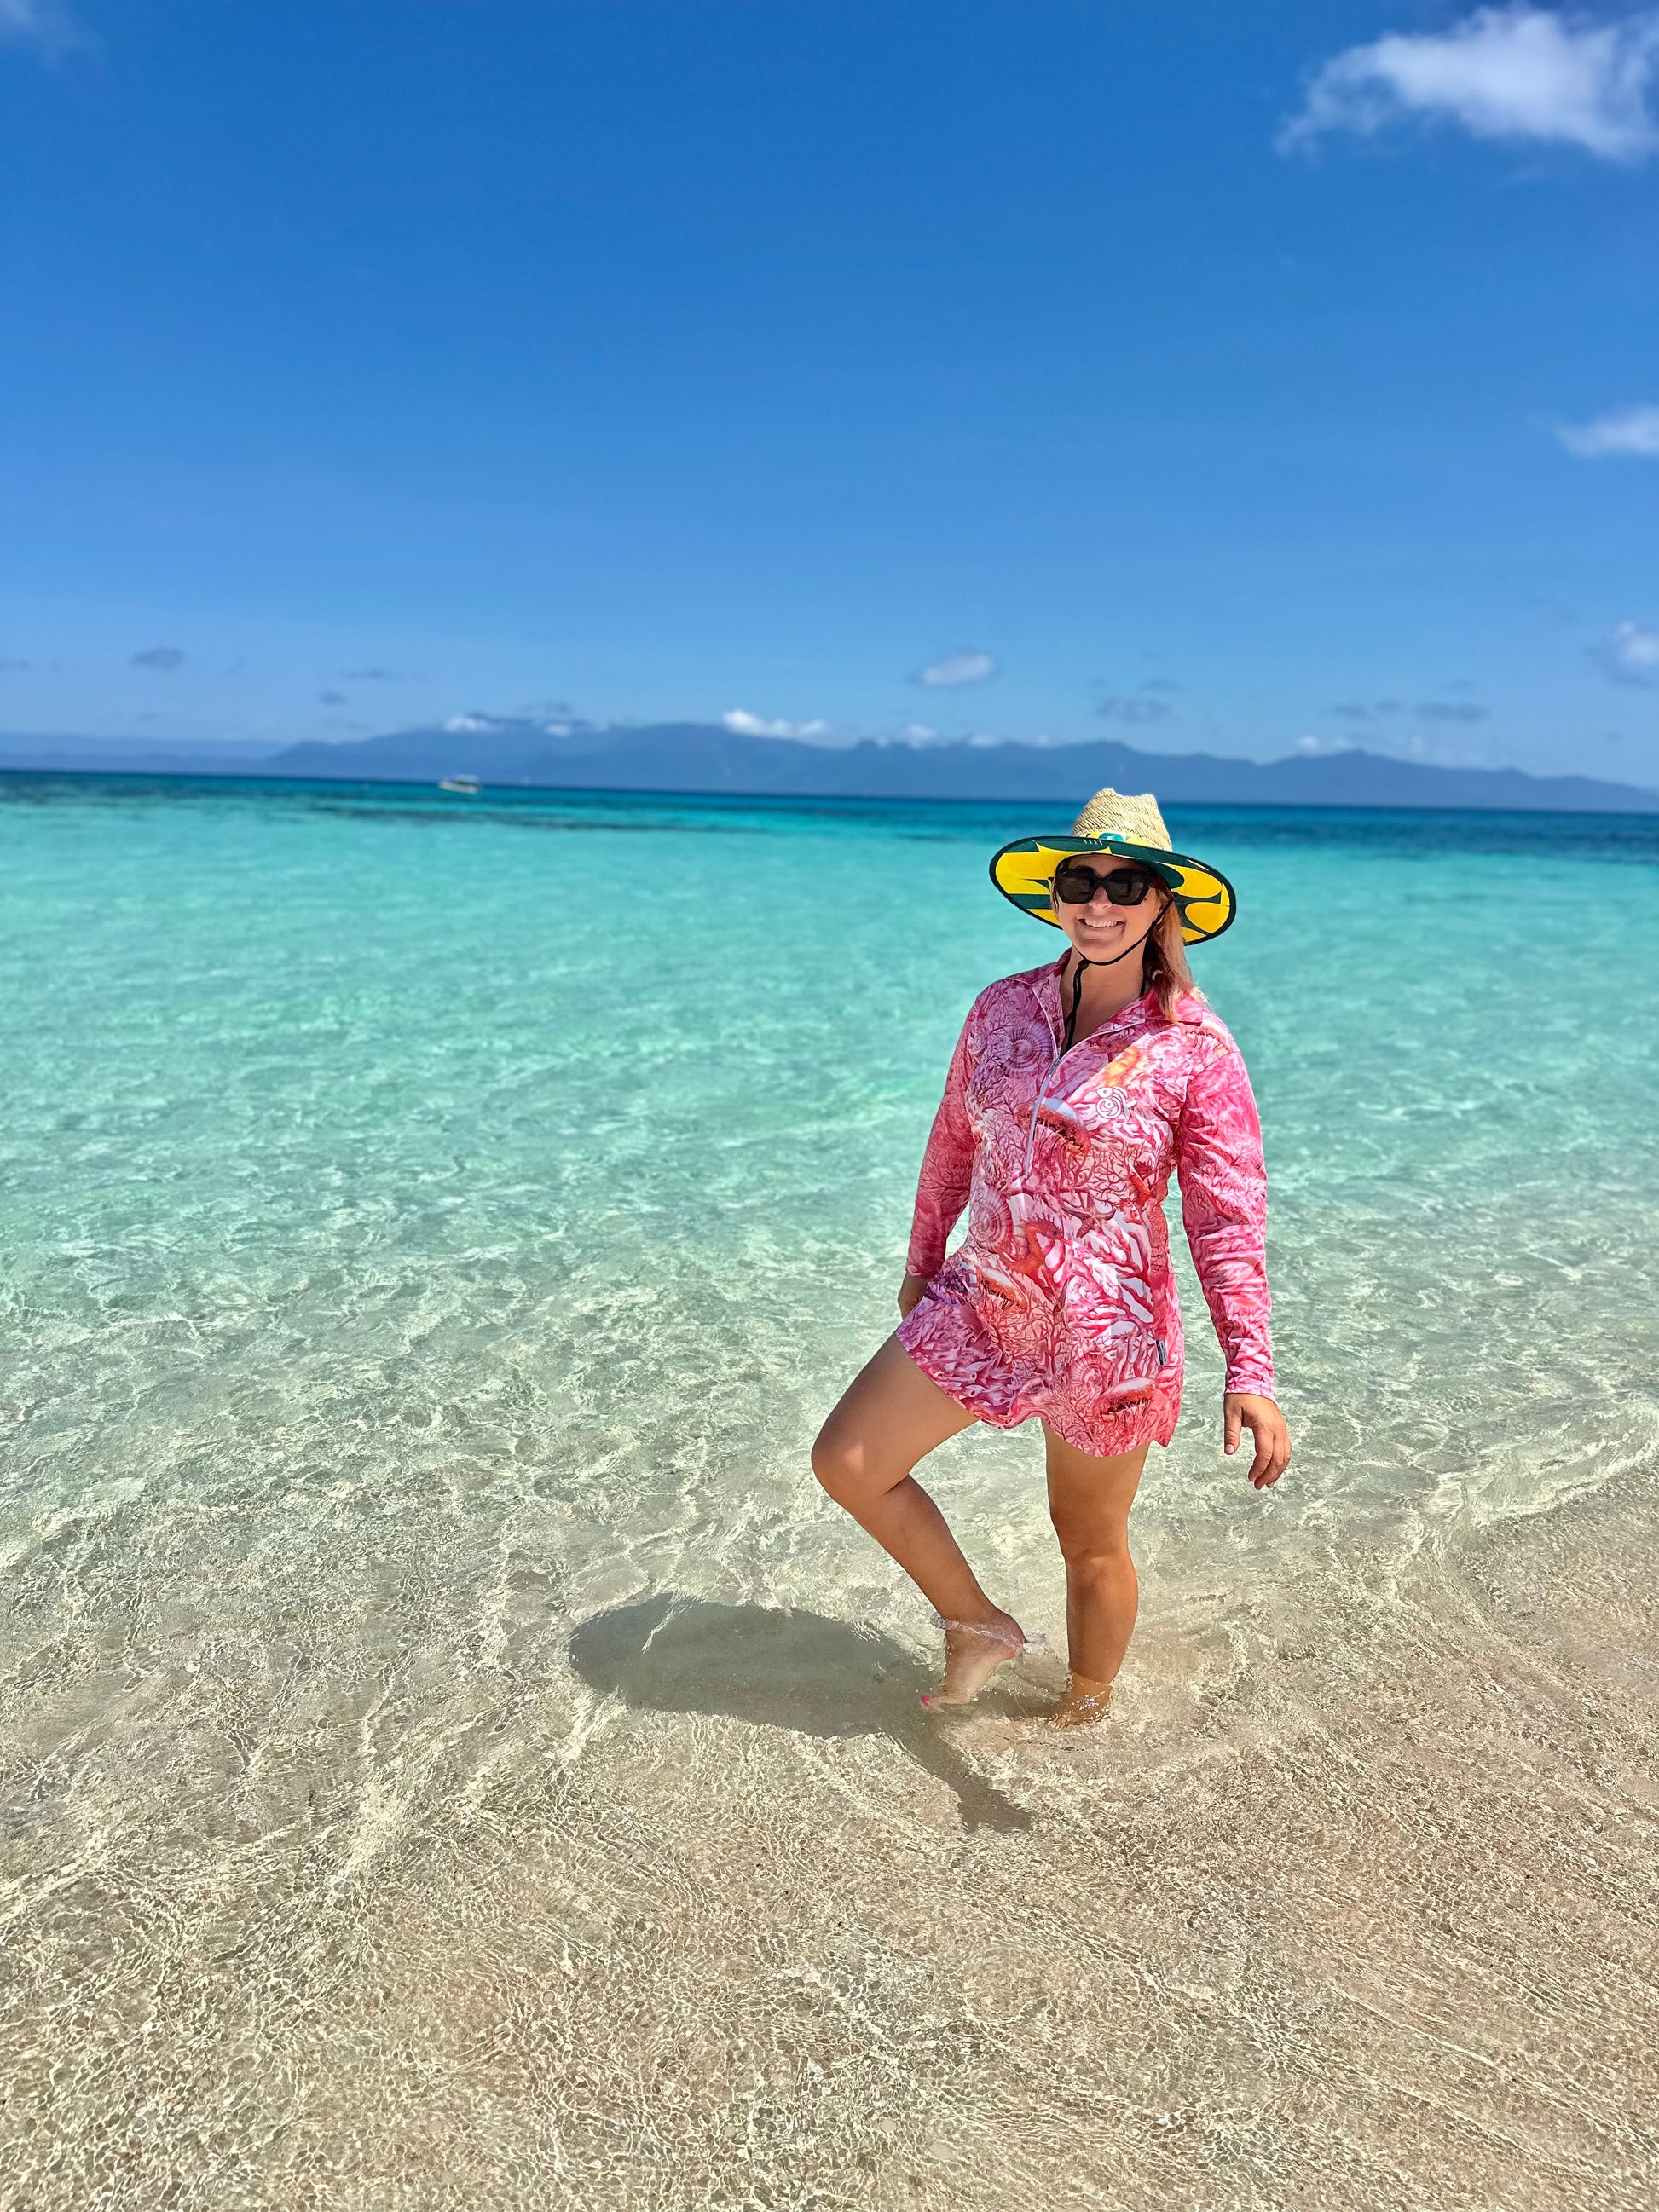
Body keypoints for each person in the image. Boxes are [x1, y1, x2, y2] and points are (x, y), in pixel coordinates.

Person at [812, 788, 1291, 1728]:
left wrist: (1252, 1366)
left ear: (1163, 905)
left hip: (1104, 1331)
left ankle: (1084, 1714)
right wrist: (919, 1259)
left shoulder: (1192, 1047)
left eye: (1126, 884)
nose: (1099, 901)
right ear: (1054, 893)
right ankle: (974, 1623)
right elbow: (952, 1141)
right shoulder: (1000, 1009)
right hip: (981, 1296)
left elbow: (1226, 1216)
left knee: (1088, 1543)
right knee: (847, 1460)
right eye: (1080, 879)